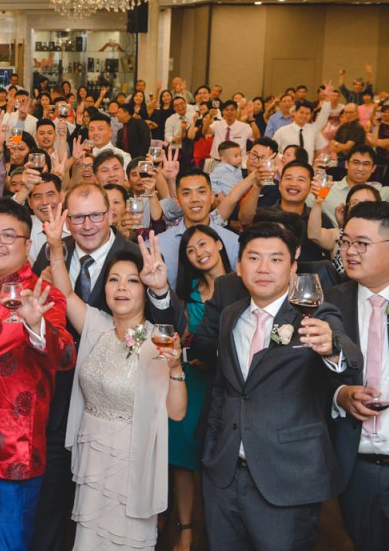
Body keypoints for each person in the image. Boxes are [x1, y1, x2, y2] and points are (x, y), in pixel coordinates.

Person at [202, 223, 362, 551]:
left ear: (292, 268)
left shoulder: (315, 314)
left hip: (288, 478)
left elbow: (348, 356)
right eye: (254, 258)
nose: (263, 268)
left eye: (276, 259)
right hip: (224, 475)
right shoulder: (231, 315)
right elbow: (223, 388)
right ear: (239, 266)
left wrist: (331, 348)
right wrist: (212, 452)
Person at [48, 223, 186, 550]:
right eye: (113, 280)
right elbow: (64, 294)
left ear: (145, 288)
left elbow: (177, 413)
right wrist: (55, 246)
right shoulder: (96, 326)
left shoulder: (158, 339)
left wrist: (176, 367)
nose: (121, 287)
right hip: (92, 457)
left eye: (132, 280)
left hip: (132, 461)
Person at [0, 198, 75, 550]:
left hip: (9, 455)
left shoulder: (43, 295)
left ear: (27, 244)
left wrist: (36, 325)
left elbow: (65, 355)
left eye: (8, 235)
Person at [326, 201, 389, 551]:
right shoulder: (329, 304)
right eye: (345, 242)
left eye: (362, 244)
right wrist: (340, 395)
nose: (349, 252)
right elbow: (305, 380)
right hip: (357, 468)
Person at [171, 225, 230, 551]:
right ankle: (185, 529)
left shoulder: (242, 285)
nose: (198, 254)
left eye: (203, 244)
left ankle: (218, 526)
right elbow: (181, 337)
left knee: (217, 457)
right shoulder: (189, 292)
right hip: (192, 378)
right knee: (182, 453)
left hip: (228, 382)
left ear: (219, 244)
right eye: (190, 251)